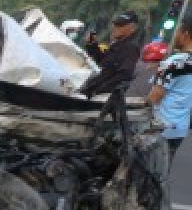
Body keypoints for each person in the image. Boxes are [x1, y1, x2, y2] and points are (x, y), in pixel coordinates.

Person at [147, 16, 192, 158]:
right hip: (180, 129)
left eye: (178, 30)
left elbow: (154, 97)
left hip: (160, 128)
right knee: (160, 175)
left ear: (186, 34)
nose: (176, 35)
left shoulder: (172, 63)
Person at [81, 10, 142, 97]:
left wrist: (99, 90)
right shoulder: (117, 45)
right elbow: (102, 63)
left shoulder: (130, 48)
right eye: (115, 24)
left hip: (100, 98)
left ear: (132, 28)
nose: (115, 27)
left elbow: (124, 75)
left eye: (120, 25)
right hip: (90, 91)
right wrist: (92, 45)